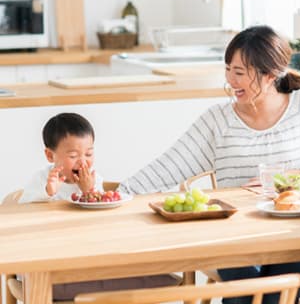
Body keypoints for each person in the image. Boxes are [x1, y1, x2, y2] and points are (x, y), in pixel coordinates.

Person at [119, 25, 300, 304]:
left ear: (269, 74)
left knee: (261, 297)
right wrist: (116, 193)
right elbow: (167, 167)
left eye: (239, 72)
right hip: (235, 239)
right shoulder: (217, 120)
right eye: (228, 69)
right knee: (255, 296)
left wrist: (291, 174)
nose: (230, 80)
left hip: (298, 235)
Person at [18, 112, 180, 301]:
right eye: (73, 155)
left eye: (89, 154)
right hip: (49, 257)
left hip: (84, 252)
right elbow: (24, 212)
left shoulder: (95, 179)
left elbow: (101, 219)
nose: (83, 161)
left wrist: (89, 191)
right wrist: (48, 192)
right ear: (49, 155)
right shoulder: (42, 180)